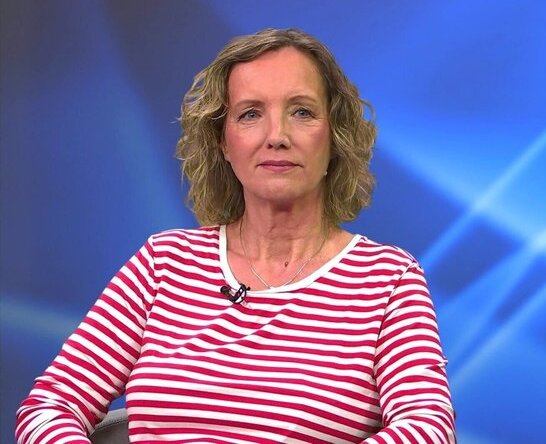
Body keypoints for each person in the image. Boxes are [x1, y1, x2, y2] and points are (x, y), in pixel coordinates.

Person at [16, 28, 456, 443]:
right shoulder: (164, 263)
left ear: (335, 137)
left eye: (302, 112)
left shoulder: (387, 279)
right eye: (250, 114)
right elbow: (49, 408)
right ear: (224, 143)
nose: (277, 136)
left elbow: (428, 426)